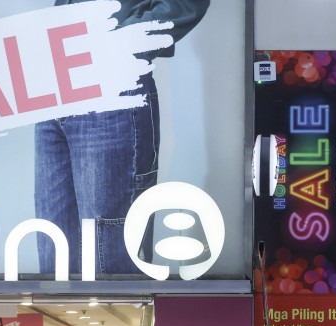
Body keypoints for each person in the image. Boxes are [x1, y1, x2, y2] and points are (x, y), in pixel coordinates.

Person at [36, 0, 210, 276]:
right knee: (54, 258)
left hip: (113, 88)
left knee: (109, 258)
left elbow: (186, 4)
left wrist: (115, 42)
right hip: (54, 84)